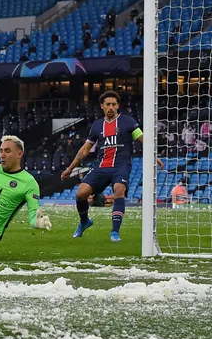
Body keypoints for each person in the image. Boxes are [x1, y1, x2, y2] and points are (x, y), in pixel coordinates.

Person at [61, 90, 161, 242]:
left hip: (121, 166)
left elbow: (143, 140)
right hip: (101, 167)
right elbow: (85, 150)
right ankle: (84, 222)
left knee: (119, 190)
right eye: (108, 104)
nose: (111, 107)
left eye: (114, 104)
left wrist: (154, 156)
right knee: (80, 194)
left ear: (118, 105)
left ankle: (115, 232)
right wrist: (70, 168)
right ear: (102, 106)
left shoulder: (128, 122)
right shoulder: (96, 126)